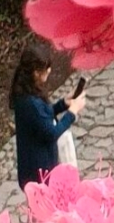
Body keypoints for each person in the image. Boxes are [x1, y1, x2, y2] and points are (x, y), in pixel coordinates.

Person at [10, 43, 86, 191]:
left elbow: (41, 118)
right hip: (40, 175)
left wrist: (63, 104)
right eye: (46, 68)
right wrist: (71, 113)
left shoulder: (24, 95)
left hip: (33, 170)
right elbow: (51, 133)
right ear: (36, 73)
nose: (49, 71)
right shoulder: (31, 103)